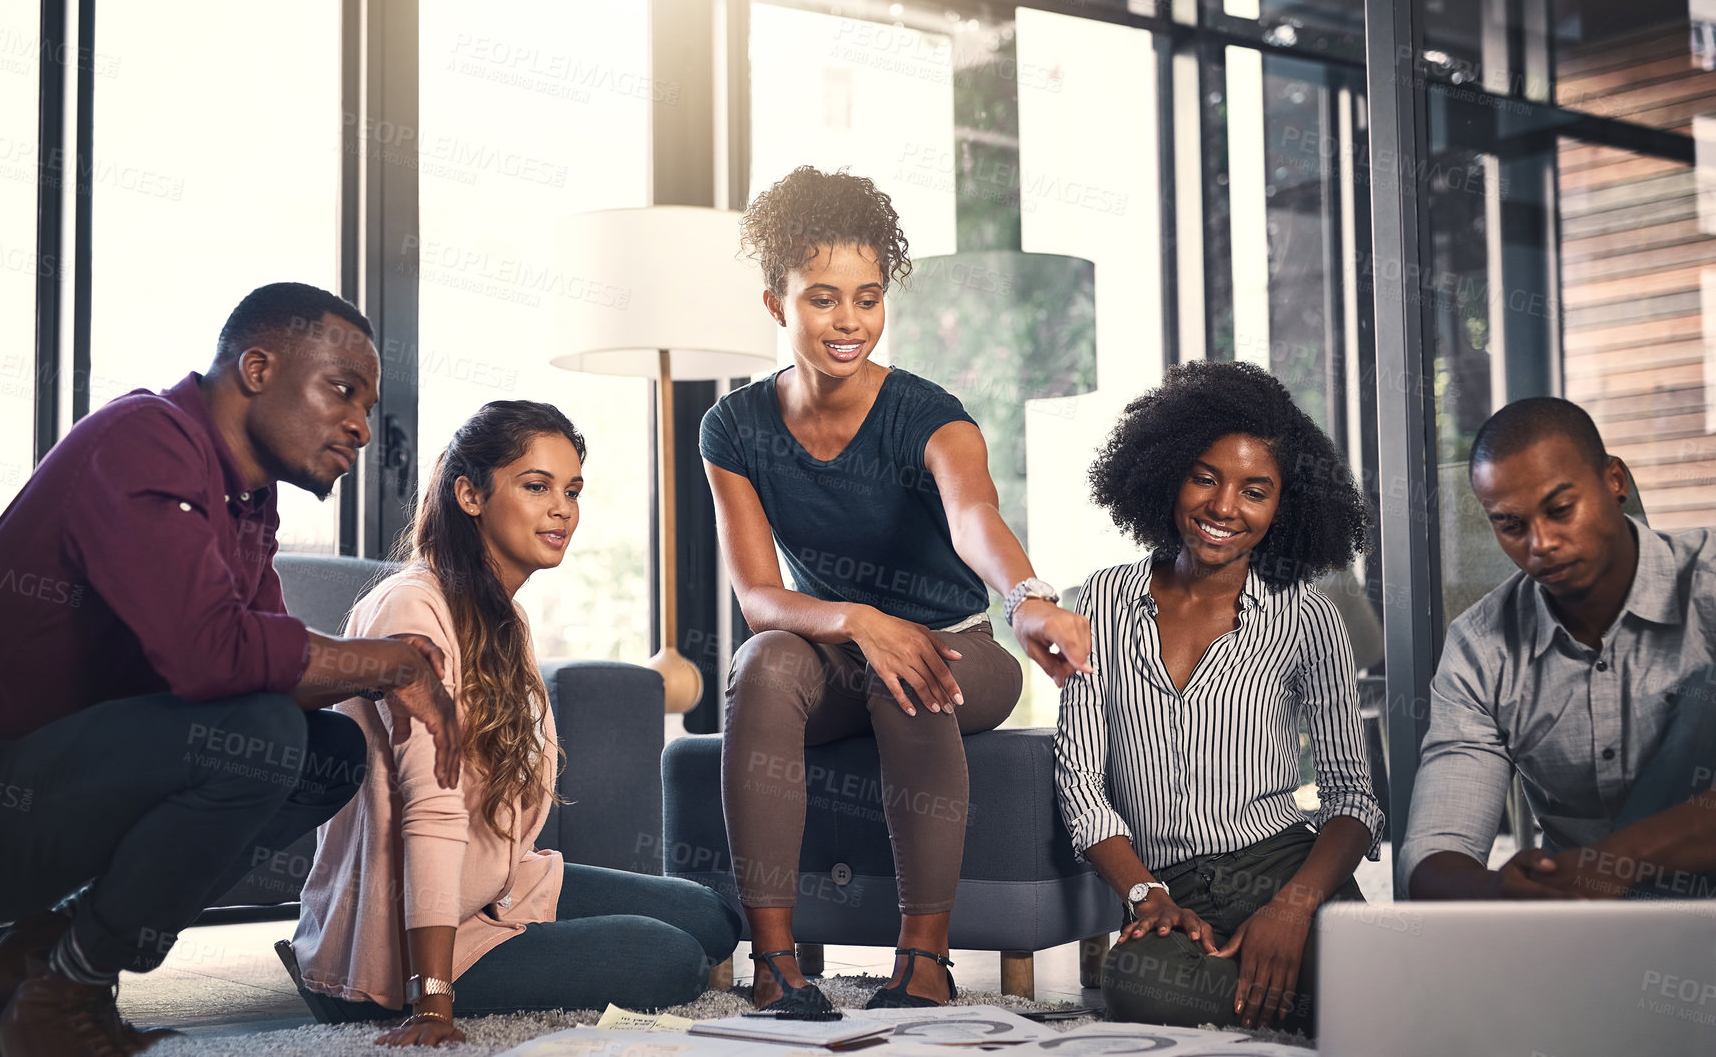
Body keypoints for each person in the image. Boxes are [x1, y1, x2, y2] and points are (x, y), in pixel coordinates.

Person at [0, 283, 461, 1057]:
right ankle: (61, 995)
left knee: (327, 752)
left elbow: (262, 658)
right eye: (342, 391)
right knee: (262, 733)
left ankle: (42, 961)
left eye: (368, 407)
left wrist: (383, 672)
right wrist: (387, 659)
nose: (362, 427)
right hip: (1, 793)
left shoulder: (245, 499)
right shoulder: (143, 440)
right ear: (258, 367)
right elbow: (211, 654)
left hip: (52, 796)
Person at [701, 166, 1093, 1012]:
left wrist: (1024, 595)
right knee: (764, 660)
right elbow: (760, 598)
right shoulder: (732, 427)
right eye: (822, 299)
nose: (849, 322)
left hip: (964, 648)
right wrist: (858, 617)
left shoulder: (928, 412)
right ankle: (774, 966)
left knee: (905, 666)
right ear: (777, 303)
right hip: (834, 648)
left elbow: (973, 515)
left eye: (868, 297)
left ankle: (923, 958)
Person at [297, 400, 740, 1044]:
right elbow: (433, 810)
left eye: (572, 491)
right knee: (667, 960)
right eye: (536, 487)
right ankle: (422, 986)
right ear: (470, 495)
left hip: (497, 891)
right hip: (399, 946)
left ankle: (539, 943)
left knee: (711, 917)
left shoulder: (505, 618)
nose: (562, 508)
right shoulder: (413, 610)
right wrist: (432, 1005)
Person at [1055, 360, 1383, 1035]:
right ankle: (1301, 999)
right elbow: (1081, 783)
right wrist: (1144, 894)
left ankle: (1295, 980)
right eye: (1204, 476)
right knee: (1139, 987)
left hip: (1282, 865)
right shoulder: (1101, 601)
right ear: (1167, 470)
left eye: (1254, 490)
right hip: (1164, 886)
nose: (1223, 507)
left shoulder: (1307, 616)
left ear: (1282, 506)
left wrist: (1291, 909)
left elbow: (1352, 798)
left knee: (1379, 971)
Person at [1403, 396, 1716, 901]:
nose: (1540, 543)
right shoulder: (1480, 649)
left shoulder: (1708, 584)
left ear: (1615, 481)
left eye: (1560, 509)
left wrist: (1610, 865)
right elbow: (1433, 854)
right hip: (1584, 931)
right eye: (1511, 524)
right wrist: (1500, 892)